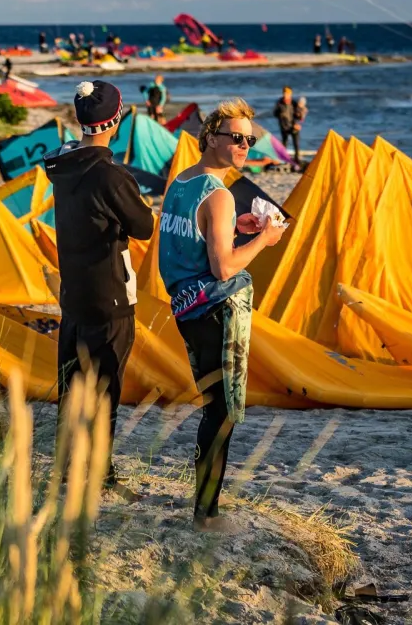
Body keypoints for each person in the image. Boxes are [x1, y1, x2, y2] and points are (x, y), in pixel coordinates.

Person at [159, 99, 285, 530]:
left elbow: (193, 241)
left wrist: (236, 230)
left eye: (249, 139)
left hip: (185, 307)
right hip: (216, 309)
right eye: (235, 138)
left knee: (215, 407)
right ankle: (206, 515)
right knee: (224, 411)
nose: (244, 146)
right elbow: (225, 268)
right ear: (210, 137)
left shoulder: (181, 183)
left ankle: (204, 509)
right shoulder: (220, 195)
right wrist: (265, 240)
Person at [44, 80, 155, 500]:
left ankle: (67, 466)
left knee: (71, 386)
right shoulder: (110, 174)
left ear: (79, 119)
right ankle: (101, 476)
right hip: (109, 293)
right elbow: (143, 227)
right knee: (105, 386)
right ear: (117, 120)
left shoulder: (60, 162)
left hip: (73, 292)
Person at [273, 86, 301, 165]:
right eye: (284, 93)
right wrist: (280, 114)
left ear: (290, 94)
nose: (286, 94)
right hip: (284, 127)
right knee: (284, 143)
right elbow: (275, 113)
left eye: (287, 93)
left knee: (296, 144)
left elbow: (299, 116)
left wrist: (298, 122)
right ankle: (284, 159)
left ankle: (297, 160)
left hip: (294, 126)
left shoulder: (294, 103)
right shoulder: (279, 103)